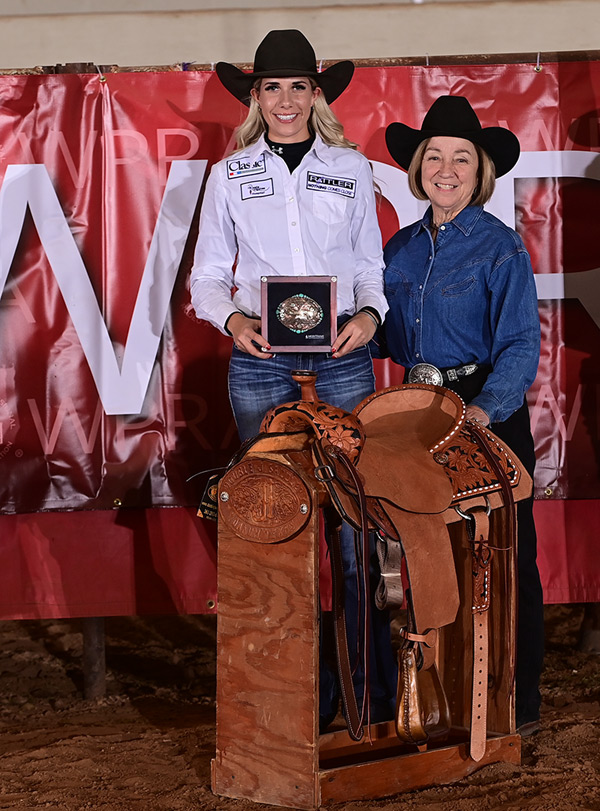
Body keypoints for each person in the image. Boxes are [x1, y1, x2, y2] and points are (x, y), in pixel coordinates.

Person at [190, 29, 396, 729]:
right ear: (255, 97)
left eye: (297, 85)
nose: (285, 99)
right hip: (261, 361)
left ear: (317, 94)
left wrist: (370, 314)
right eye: (271, 86)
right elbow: (208, 276)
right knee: (272, 524)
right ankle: (290, 699)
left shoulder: (351, 166)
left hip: (340, 356)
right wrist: (232, 323)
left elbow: (370, 264)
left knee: (354, 525)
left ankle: (368, 693)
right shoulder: (229, 174)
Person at [380, 95, 544, 734]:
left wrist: (480, 413)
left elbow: (520, 344)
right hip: (413, 411)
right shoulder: (397, 250)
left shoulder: (500, 247)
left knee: (506, 554)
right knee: (427, 552)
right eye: (436, 157)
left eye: (462, 160)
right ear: (418, 169)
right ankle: (441, 698)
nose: (447, 170)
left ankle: (517, 701)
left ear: (480, 174)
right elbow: (382, 334)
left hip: (483, 411)